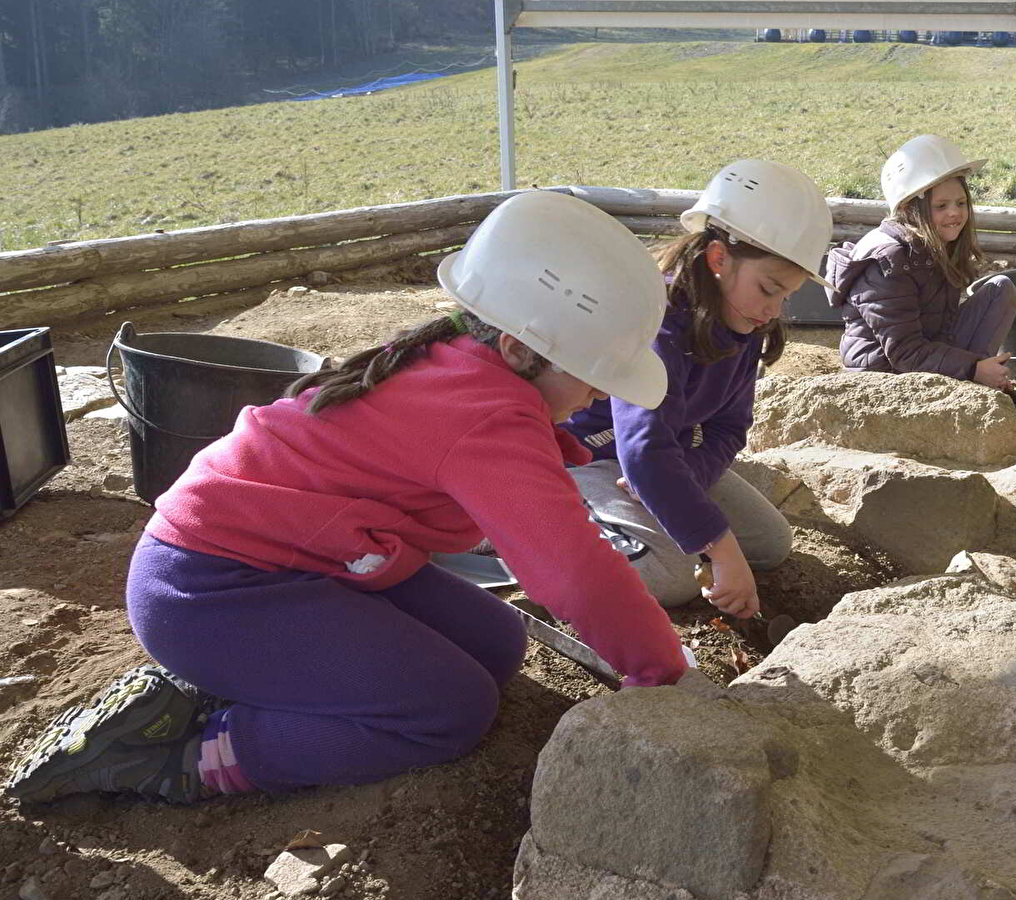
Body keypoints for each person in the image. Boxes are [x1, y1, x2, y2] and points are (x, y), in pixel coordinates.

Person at [5, 191, 688, 805]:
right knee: (447, 710)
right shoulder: (489, 414)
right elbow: (571, 571)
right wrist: (662, 672)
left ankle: (249, 681)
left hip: (291, 561)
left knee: (497, 640)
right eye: (592, 373)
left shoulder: (456, 357)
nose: (602, 393)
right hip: (211, 589)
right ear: (516, 348)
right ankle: (187, 755)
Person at [563, 160, 834, 617]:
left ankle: (659, 509)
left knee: (770, 542)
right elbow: (643, 447)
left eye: (785, 297)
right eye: (768, 289)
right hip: (588, 456)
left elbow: (729, 428)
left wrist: (685, 476)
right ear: (718, 259)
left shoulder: (744, 324)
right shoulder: (658, 322)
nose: (773, 309)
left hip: (662, 458)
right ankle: (540, 538)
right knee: (671, 575)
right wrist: (719, 547)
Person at [827, 134, 1016, 391]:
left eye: (960, 203)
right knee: (976, 368)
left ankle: (978, 388)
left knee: (1000, 289)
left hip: (926, 353)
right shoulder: (888, 262)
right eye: (941, 206)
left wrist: (974, 367)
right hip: (884, 376)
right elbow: (903, 351)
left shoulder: (936, 244)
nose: (954, 212)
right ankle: (975, 386)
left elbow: (940, 325)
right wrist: (974, 368)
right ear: (910, 209)